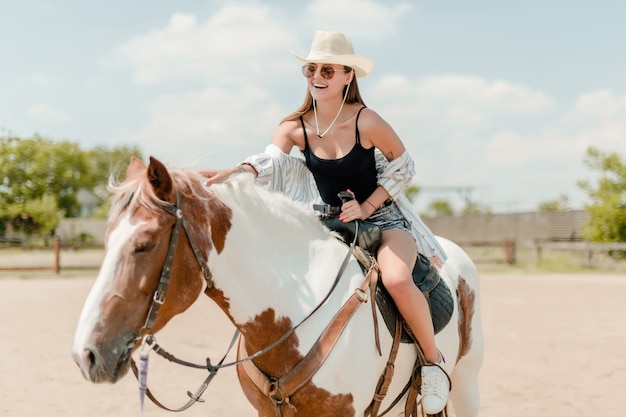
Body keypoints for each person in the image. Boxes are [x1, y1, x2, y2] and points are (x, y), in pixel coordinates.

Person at [203, 31, 450, 414]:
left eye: (328, 70)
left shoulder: (366, 120)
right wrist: (235, 171)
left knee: (398, 279)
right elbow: (269, 163)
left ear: (347, 76)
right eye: (311, 68)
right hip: (329, 223)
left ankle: (433, 364)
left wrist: (368, 207)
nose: (317, 76)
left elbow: (404, 167)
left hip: (385, 221)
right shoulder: (294, 126)